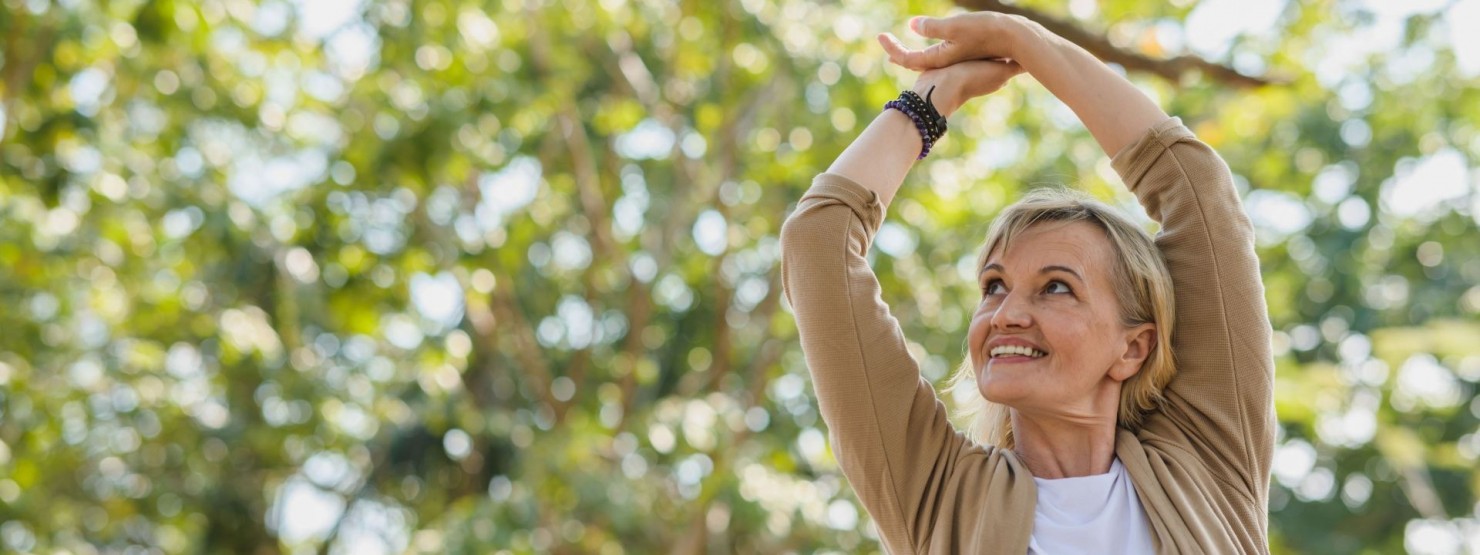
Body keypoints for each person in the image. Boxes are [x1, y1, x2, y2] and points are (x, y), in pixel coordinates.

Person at [779, 11, 1275, 554]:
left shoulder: (1209, 460)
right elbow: (818, 244)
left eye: (1056, 287)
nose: (1005, 313)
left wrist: (1023, 40)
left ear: (1133, 347)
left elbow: (1200, 195)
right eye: (993, 286)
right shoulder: (938, 493)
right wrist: (927, 103)